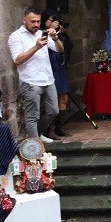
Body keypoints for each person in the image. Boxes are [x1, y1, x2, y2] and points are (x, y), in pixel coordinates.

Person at [8, 7, 64, 144]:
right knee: (33, 116)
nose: (36, 24)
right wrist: (36, 47)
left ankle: (37, 135)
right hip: (30, 81)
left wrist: (55, 38)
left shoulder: (41, 33)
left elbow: (60, 49)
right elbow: (17, 60)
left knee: (53, 111)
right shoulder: (16, 37)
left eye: (38, 21)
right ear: (24, 20)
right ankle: (35, 148)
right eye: (32, 21)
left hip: (48, 79)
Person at [41, 9, 74, 139]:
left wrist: (62, 35)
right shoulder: (41, 33)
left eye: (56, 21)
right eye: (51, 20)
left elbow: (67, 48)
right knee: (51, 101)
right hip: (49, 69)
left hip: (59, 68)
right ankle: (49, 129)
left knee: (63, 97)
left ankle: (59, 126)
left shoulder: (58, 34)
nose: (54, 23)